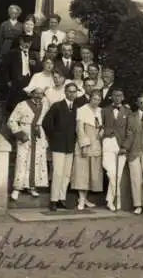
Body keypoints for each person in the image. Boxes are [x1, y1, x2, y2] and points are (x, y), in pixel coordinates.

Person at [8, 87, 49, 201]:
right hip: (25, 134)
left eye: (41, 94)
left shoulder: (45, 106)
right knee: (22, 160)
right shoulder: (22, 105)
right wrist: (20, 133)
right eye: (36, 93)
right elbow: (11, 120)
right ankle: (17, 188)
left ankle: (32, 186)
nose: (38, 96)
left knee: (36, 161)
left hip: (38, 135)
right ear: (31, 94)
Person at [42, 83, 78, 211]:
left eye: (74, 92)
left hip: (70, 145)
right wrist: (54, 137)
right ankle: (53, 200)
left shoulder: (77, 108)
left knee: (67, 174)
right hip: (58, 145)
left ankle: (62, 199)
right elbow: (46, 123)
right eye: (69, 91)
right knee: (57, 172)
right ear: (65, 92)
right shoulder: (57, 106)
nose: (72, 94)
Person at [71, 90, 103, 210]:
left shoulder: (100, 111)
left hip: (96, 144)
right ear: (90, 98)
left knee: (92, 173)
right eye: (94, 99)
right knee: (82, 173)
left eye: (98, 99)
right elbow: (79, 129)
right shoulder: (82, 110)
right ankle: (81, 199)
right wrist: (84, 145)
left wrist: (101, 132)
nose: (96, 102)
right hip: (85, 143)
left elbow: (102, 126)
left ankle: (85, 199)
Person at [101, 88, 131, 211]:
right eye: (115, 95)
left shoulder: (128, 111)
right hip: (108, 142)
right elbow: (100, 127)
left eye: (119, 95)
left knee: (117, 175)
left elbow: (130, 131)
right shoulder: (104, 110)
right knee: (111, 172)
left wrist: (125, 146)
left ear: (123, 97)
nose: (117, 98)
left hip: (121, 145)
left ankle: (110, 200)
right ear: (111, 97)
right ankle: (117, 197)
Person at [0, 35, 40, 113]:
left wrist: (35, 65)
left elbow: (38, 70)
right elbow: (4, 68)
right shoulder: (12, 52)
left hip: (29, 81)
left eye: (29, 43)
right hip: (16, 81)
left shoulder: (33, 54)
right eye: (25, 42)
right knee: (14, 103)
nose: (27, 44)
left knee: (27, 104)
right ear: (20, 41)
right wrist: (8, 81)